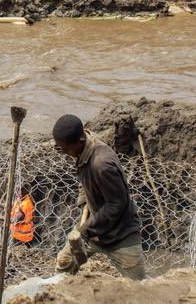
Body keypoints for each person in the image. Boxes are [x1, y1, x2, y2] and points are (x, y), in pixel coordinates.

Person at [52, 114, 144, 280]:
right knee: (65, 261)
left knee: (137, 287)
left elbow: (117, 204)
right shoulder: (84, 146)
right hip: (96, 230)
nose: (64, 153)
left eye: (65, 149)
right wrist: (83, 203)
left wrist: (86, 230)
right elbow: (84, 178)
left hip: (121, 234)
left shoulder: (102, 164)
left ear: (79, 140)